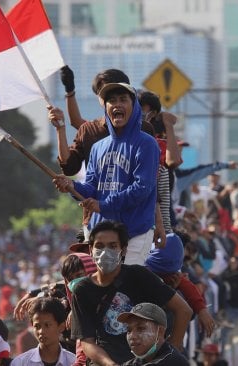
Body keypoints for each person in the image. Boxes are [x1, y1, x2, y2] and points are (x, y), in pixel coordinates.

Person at [53, 83, 161, 265]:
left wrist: (103, 205)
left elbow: (141, 189)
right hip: (103, 234)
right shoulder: (98, 147)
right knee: (105, 289)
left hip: (135, 232)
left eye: (123, 100)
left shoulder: (147, 144)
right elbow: (91, 188)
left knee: (126, 289)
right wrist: (72, 186)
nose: (117, 104)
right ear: (106, 107)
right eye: (111, 100)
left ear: (134, 106)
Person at [68, 221, 192, 365]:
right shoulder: (82, 289)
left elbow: (184, 310)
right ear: (91, 250)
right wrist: (111, 365)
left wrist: (169, 353)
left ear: (124, 250)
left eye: (113, 246)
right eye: (100, 246)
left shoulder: (138, 275)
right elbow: (87, 342)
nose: (105, 251)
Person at [10, 297, 76, 366]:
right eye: (37, 326)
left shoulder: (73, 362)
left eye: (47, 325)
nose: (41, 331)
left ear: (61, 326)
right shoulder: (20, 363)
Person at [117, 303, 188, 365]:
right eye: (129, 330)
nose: (132, 336)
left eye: (141, 328)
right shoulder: (137, 361)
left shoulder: (173, 361)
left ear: (160, 331)